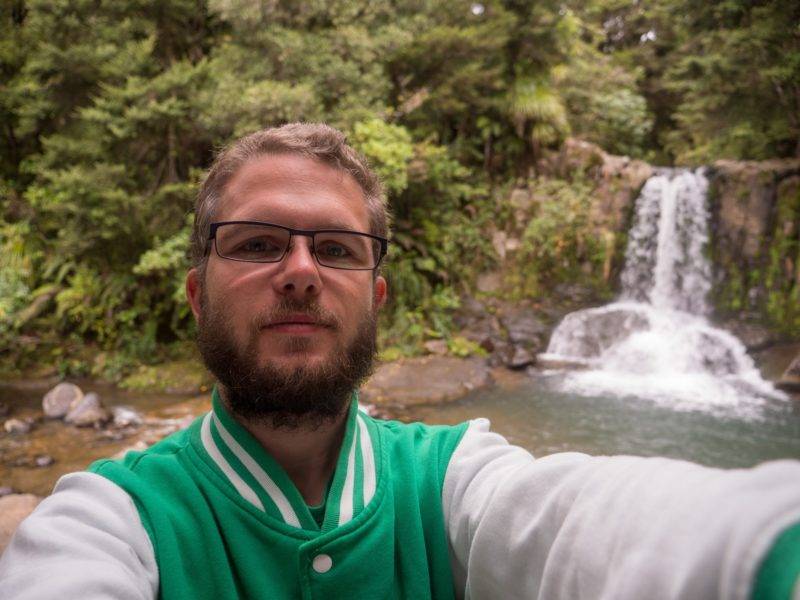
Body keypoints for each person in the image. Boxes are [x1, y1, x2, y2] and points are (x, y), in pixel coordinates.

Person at [1, 122, 799, 600]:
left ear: (377, 298)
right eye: (257, 243)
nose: (301, 270)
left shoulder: (454, 483)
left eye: (338, 249)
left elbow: (586, 523)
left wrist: (761, 548)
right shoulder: (111, 515)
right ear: (197, 294)